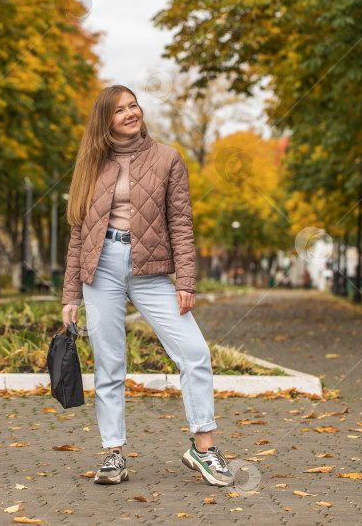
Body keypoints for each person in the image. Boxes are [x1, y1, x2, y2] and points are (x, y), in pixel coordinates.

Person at [60, 85, 233, 487]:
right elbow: (77, 232)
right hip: (99, 269)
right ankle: (113, 453)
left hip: (151, 271)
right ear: (106, 120)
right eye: (119, 110)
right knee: (109, 362)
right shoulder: (90, 163)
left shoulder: (168, 159)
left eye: (133, 105)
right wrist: (71, 293)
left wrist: (186, 281)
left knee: (194, 352)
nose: (129, 113)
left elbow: (181, 224)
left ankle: (203, 448)